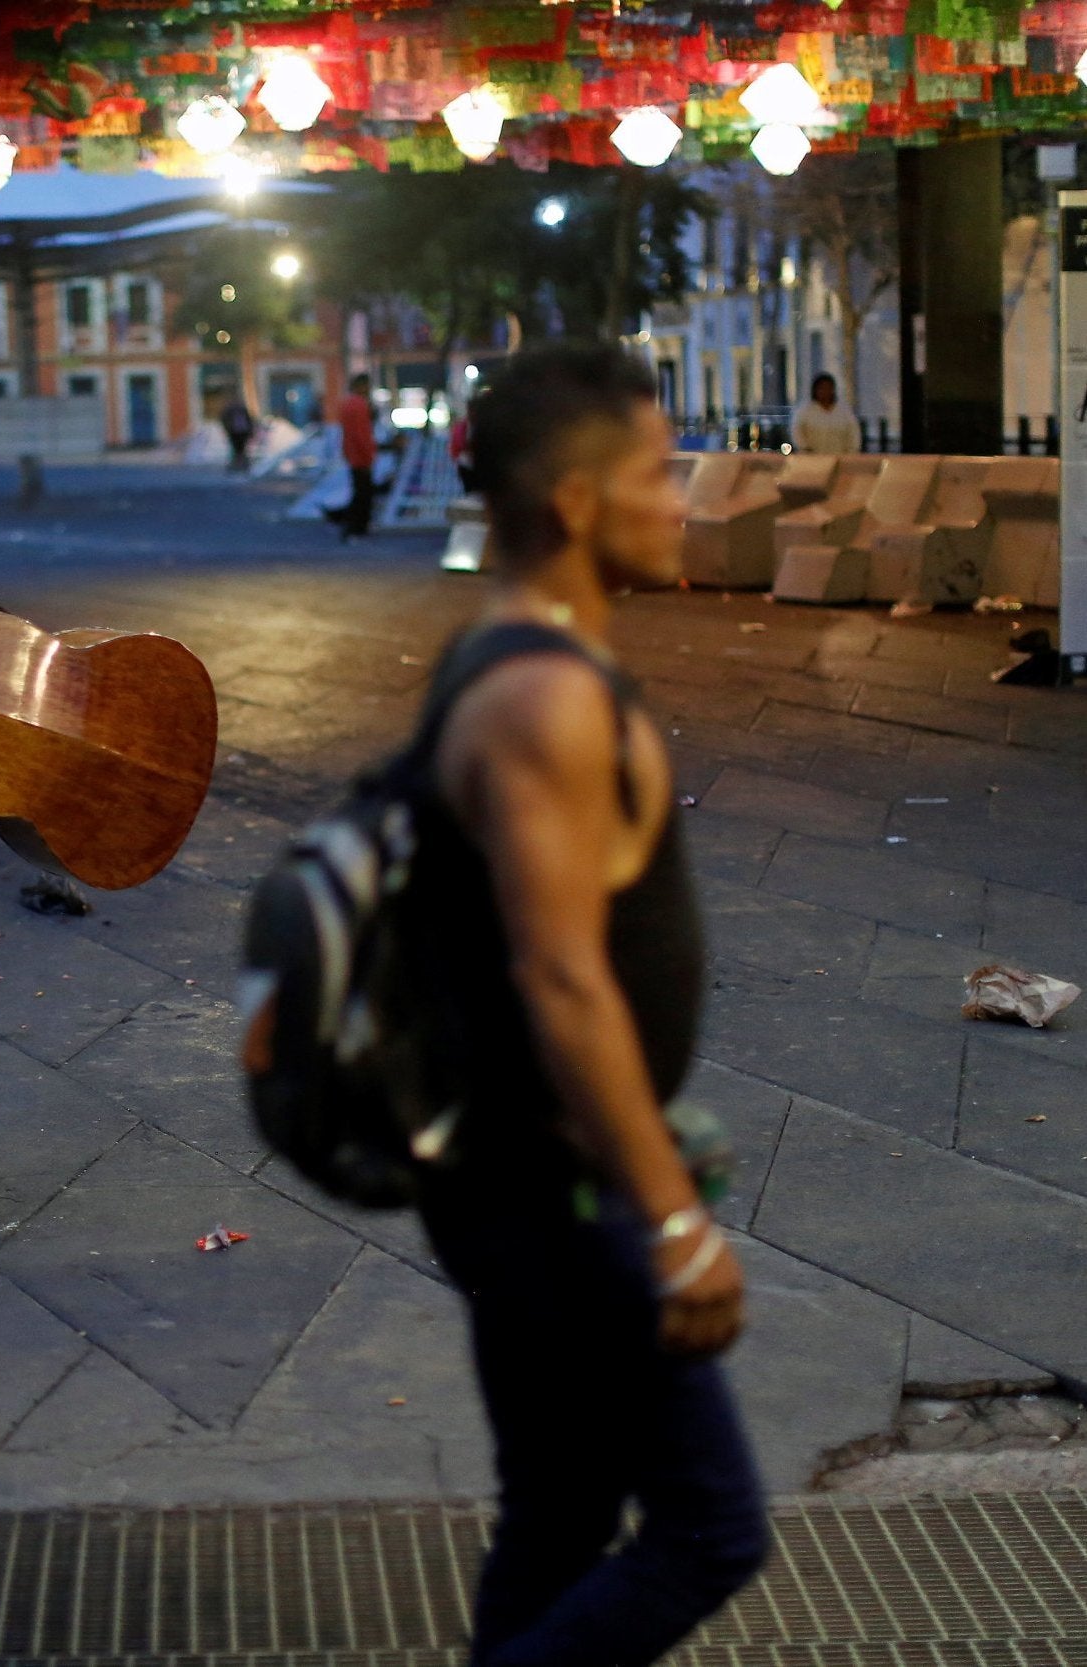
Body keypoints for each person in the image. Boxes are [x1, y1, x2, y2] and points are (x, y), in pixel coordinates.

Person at [405, 342, 767, 1665]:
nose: (682, 496)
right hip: (555, 1189)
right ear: (569, 500)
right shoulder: (543, 695)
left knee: (557, 1515)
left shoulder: (514, 658)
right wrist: (671, 1219)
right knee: (708, 1526)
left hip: (517, 1174)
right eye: (657, 470)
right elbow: (560, 977)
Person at [339, 373, 379, 538]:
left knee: (359, 491)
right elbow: (361, 434)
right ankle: (356, 527)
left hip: (353, 455)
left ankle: (355, 526)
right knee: (363, 494)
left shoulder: (348, 404)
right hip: (361, 456)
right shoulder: (359, 405)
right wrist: (368, 455)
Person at [790, 372, 857, 455]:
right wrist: (804, 448)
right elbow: (797, 431)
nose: (825, 391)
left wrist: (851, 451)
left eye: (828, 388)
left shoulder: (844, 410)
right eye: (822, 388)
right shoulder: (804, 410)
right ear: (815, 390)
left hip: (840, 456)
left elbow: (854, 433)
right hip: (811, 458)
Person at [218, 396, 255, 472]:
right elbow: (249, 420)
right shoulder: (236, 410)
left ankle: (240, 465)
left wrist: (250, 431)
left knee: (239, 450)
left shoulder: (238, 410)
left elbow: (249, 420)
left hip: (240, 432)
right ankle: (239, 465)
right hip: (237, 432)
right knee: (238, 450)